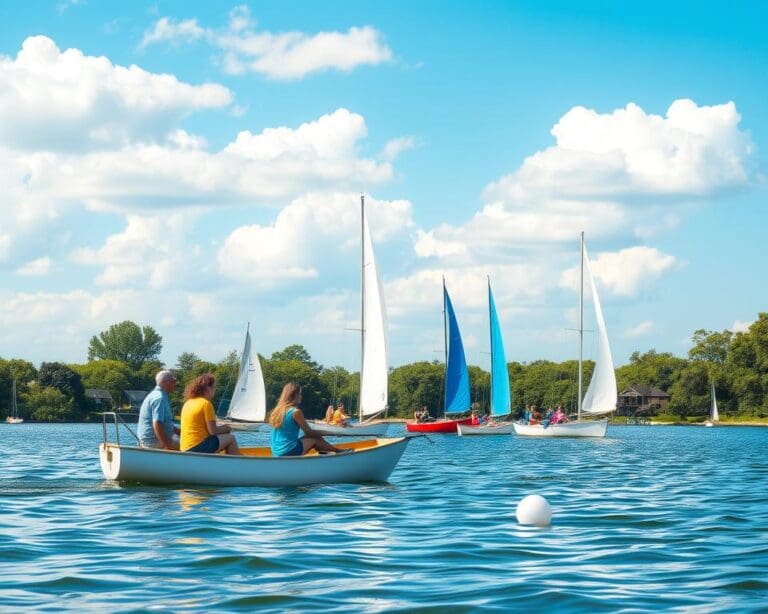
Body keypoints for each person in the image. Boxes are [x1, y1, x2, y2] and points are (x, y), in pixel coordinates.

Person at [269, 382, 349, 457]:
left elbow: (307, 434)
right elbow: (309, 432)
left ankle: (326, 451)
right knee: (315, 439)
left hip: (276, 452)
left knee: (309, 437)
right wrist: (320, 436)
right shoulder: (296, 412)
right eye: (300, 394)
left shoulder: (276, 411)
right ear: (294, 395)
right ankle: (337, 452)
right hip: (288, 452)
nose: (301, 396)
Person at [180, 373, 240, 455]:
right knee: (231, 438)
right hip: (197, 447)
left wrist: (222, 429)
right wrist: (227, 428)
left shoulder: (188, 402)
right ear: (207, 388)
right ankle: (237, 464)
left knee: (221, 437)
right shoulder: (206, 404)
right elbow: (213, 431)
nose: (215, 390)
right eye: (214, 387)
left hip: (185, 448)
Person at [137, 370, 180, 450]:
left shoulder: (153, 395)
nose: (175, 384)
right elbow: (157, 423)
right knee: (188, 446)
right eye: (173, 381)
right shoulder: (160, 398)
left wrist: (181, 432)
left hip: (146, 440)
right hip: (153, 442)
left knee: (180, 438)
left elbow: (165, 423)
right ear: (166, 382)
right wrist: (167, 445)